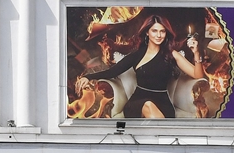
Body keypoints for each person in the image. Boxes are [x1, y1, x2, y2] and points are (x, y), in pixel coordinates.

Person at [75, 14, 203, 119]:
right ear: (147, 32)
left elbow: (198, 75)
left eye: (162, 31)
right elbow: (112, 72)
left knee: (154, 113)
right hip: (138, 102)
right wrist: (88, 76)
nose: (159, 35)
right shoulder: (137, 55)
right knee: (148, 105)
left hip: (163, 103)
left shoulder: (172, 54)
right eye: (154, 31)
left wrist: (196, 53)